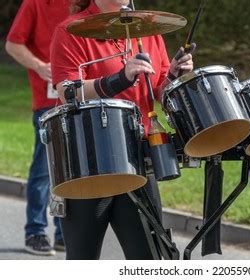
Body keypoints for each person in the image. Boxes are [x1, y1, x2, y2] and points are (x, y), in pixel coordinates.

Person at [50, 0, 194, 259]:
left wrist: (173, 75)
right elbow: (67, 91)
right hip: (88, 160)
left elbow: (159, 88)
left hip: (138, 155)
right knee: (83, 260)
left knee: (149, 259)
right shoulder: (70, 29)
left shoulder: (148, 28)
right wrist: (120, 79)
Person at [5, 0, 69, 256]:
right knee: (44, 169)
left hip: (83, 98)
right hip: (47, 100)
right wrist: (40, 66)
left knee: (74, 171)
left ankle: (64, 233)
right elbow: (12, 44)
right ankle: (35, 231)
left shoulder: (88, 5)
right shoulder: (36, 3)